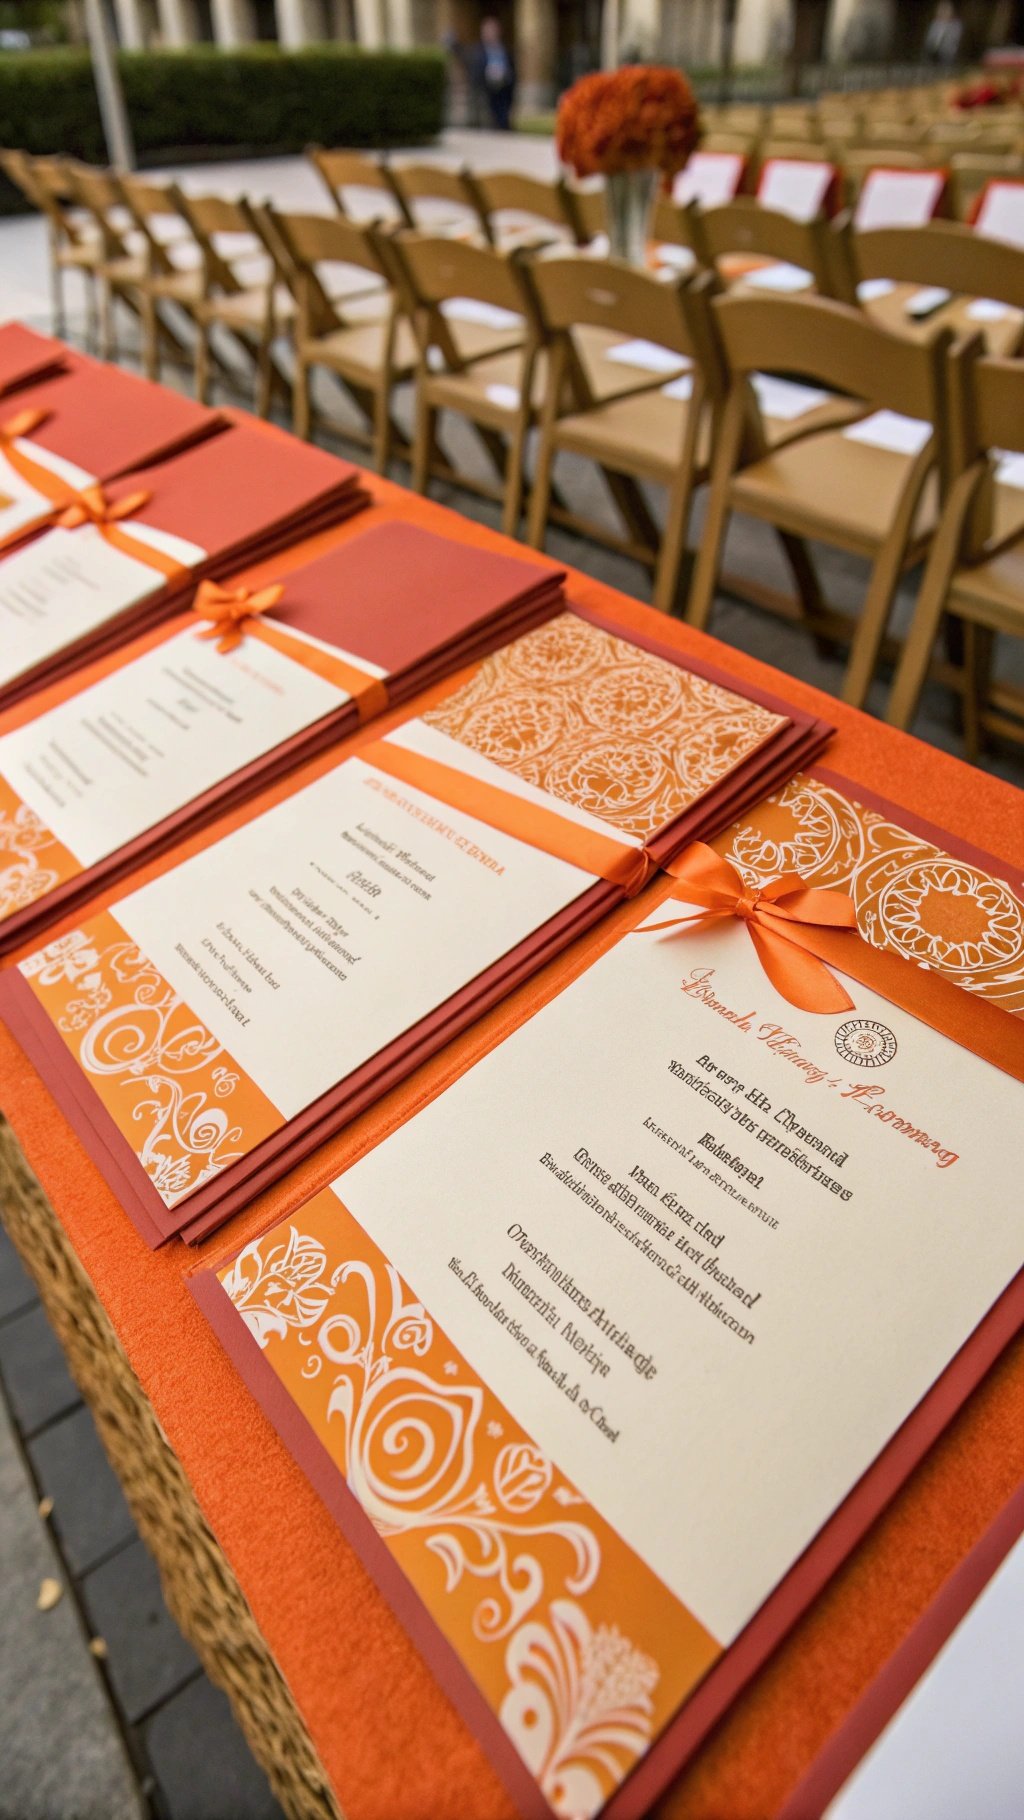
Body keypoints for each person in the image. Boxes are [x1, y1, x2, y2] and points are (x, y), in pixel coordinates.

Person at [474, 17, 516, 132]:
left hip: (504, 88)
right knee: (490, 119)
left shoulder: (504, 49)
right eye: (487, 31)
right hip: (487, 89)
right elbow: (476, 70)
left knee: (504, 117)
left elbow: (511, 67)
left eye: (493, 30)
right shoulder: (479, 51)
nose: (490, 34)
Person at [924, 1, 963, 67]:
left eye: (946, 10)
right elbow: (930, 39)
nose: (943, 12)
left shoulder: (956, 25)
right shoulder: (935, 24)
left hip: (947, 54)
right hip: (933, 53)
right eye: (941, 10)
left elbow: (954, 42)